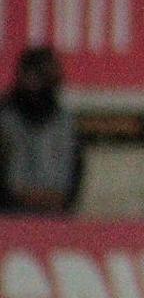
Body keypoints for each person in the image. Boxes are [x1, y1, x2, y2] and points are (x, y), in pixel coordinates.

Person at [0, 46, 82, 214]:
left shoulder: (64, 122)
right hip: (9, 215)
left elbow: (75, 172)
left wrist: (59, 200)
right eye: (31, 76)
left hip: (54, 215)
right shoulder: (6, 118)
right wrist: (17, 197)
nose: (34, 85)